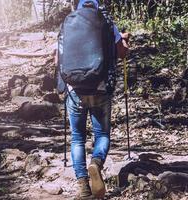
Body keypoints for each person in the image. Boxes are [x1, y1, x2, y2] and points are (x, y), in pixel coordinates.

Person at [57, 0, 130, 199]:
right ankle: (95, 164)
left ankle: (83, 187)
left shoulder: (67, 22)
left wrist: (62, 85)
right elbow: (121, 53)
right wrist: (123, 41)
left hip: (75, 90)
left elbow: (59, 59)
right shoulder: (106, 22)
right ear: (96, 5)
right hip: (100, 88)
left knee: (78, 138)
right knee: (102, 134)